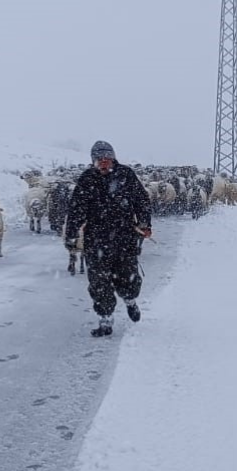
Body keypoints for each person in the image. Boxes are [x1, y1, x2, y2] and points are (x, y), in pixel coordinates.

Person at [64, 140, 152, 337]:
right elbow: (76, 208)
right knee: (99, 281)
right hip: (96, 239)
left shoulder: (126, 175)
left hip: (125, 236)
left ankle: (130, 301)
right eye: (99, 159)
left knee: (127, 276)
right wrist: (71, 233)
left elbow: (141, 200)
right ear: (94, 160)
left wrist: (144, 223)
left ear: (113, 158)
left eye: (107, 159)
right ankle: (105, 319)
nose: (104, 163)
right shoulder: (87, 179)